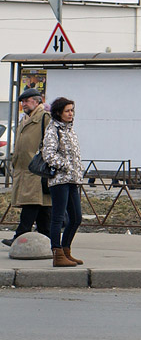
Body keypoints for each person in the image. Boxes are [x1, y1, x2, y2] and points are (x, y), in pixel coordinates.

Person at [2, 88, 52, 247]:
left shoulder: (44, 117)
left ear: (37, 101)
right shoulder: (25, 118)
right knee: (42, 205)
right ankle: (49, 238)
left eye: (27, 101)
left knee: (32, 203)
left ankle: (20, 235)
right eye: (22, 101)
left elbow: (51, 141)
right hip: (24, 169)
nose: (23, 104)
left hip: (37, 168)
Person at [42, 97, 85, 268]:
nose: (70, 114)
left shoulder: (69, 130)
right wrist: (66, 166)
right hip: (59, 180)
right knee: (58, 218)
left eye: (72, 110)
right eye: (67, 111)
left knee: (76, 218)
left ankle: (66, 250)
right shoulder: (53, 129)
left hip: (72, 179)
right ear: (58, 112)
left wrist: (77, 168)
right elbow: (49, 154)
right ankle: (57, 253)